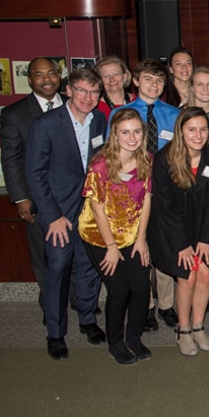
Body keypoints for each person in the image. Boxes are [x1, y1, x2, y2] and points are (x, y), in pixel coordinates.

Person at [26, 67, 108, 360]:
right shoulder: (45, 124)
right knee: (58, 268)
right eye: (82, 91)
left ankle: (87, 320)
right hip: (58, 213)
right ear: (69, 91)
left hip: (90, 211)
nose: (88, 97)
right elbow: (35, 175)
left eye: (94, 92)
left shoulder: (99, 120)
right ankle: (56, 333)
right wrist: (52, 216)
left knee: (89, 267)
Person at [147, 107, 209, 356]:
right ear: (180, 131)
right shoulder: (165, 159)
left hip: (203, 227)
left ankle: (198, 326)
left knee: (205, 275)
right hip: (169, 231)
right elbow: (165, 208)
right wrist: (182, 244)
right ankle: (183, 330)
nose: (198, 135)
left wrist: (206, 239)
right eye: (192, 129)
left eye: (203, 129)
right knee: (189, 275)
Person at [111, 58, 182, 330]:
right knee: (140, 251)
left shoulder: (173, 114)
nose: (154, 85)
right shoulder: (122, 114)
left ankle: (166, 304)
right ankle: (147, 306)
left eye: (160, 80)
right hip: (133, 193)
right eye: (149, 79)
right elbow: (112, 155)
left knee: (164, 248)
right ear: (136, 80)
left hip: (164, 192)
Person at [78, 108, 153, 364]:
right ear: (115, 135)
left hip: (132, 234)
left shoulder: (146, 160)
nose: (132, 137)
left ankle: (134, 336)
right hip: (100, 236)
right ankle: (116, 341)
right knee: (120, 290)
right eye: (125, 132)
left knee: (142, 287)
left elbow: (146, 201)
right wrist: (111, 247)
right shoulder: (101, 164)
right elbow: (97, 210)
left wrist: (141, 239)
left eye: (136, 131)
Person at [0, 57, 64, 321]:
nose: (47, 79)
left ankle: (76, 300)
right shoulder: (14, 114)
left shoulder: (75, 105)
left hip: (73, 197)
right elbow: (11, 158)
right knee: (44, 257)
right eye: (39, 74)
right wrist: (21, 198)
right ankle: (50, 308)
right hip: (37, 199)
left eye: (51, 73)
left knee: (74, 255)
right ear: (30, 80)